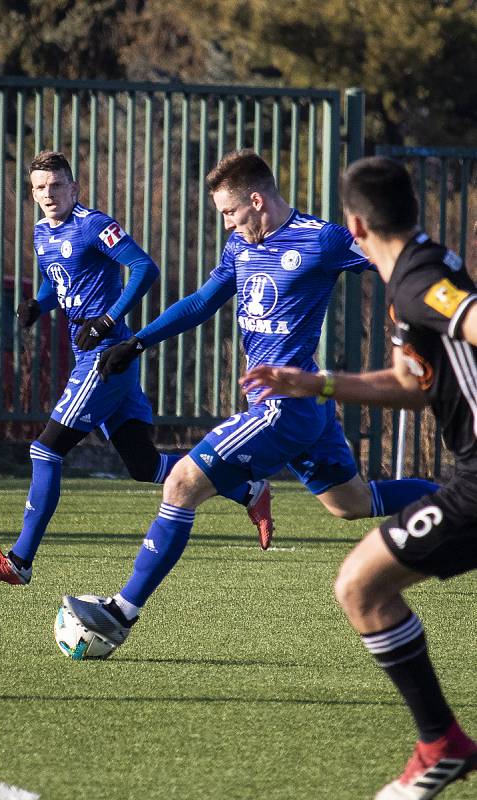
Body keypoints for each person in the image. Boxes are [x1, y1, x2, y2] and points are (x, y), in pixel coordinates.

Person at [62, 149, 437, 655]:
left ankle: (120, 612)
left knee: (180, 484)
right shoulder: (240, 247)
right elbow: (199, 303)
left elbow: (391, 258)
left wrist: (412, 308)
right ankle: (462, 498)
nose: (228, 223)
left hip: (283, 405)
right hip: (307, 407)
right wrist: (138, 341)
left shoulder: (320, 240)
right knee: (351, 503)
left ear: (257, 200)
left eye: (230, 212)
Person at [240, 156, 477, 799]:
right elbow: (408, 385)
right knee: (361, 583)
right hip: (467, 475)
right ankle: (441, 742)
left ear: (354, 223)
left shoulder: (422, 281)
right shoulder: (420, 268)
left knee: (360, 586)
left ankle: (440, 743)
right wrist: (316, 383)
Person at [0, 150, 272, 586]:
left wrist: (108, 319)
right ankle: (247, 489)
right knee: (143, 465)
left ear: (75, 188)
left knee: (45, 450)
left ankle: (20, 560)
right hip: (95, 357)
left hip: (106, 357)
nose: (49, 194)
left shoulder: (93, 224)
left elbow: (145, 268)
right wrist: (39, 304)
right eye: (40, 188)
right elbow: (59, 282)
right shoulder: (40, 234)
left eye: (56, 186)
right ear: (32, 194)